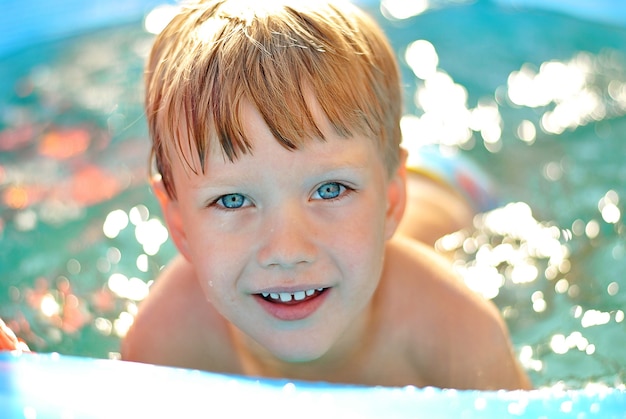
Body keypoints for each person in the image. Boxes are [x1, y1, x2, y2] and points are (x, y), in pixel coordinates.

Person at [119, 0, 530, 390]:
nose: (287, 250)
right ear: (178, 224)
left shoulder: (452, 328)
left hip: (453, 187)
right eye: (232, 200)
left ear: (390, 201)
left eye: (331, 191)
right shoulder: (166, 337)